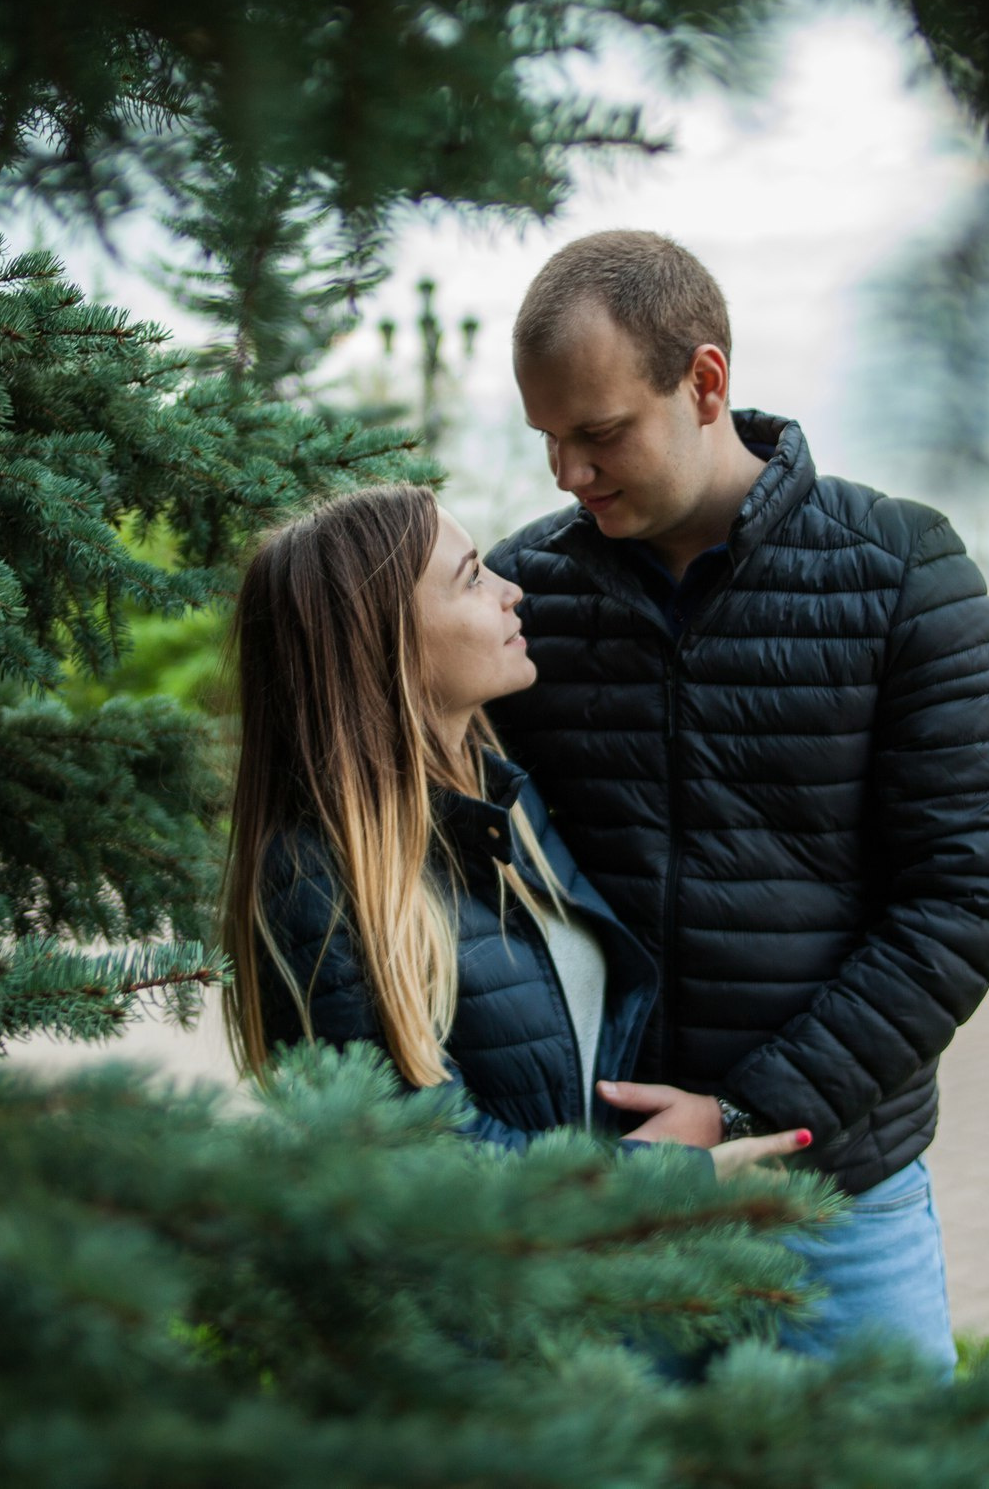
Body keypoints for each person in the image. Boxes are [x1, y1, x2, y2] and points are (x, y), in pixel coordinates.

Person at [483, 230, 989, 1375]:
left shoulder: (903, 572)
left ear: (706, 382)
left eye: (598, 434)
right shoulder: (520, 595)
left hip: (833, 1210)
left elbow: (966, 898)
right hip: (611, 1210)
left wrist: (742, 1114)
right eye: (547, 441)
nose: (568, 478)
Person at [219, 483, 810, 1175]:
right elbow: (434, 1168)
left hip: (579, 1262)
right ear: (381, 639)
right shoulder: (315, 881)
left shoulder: (499, 801)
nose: (510, 590)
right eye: (472, 577)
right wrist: (667, 1177)